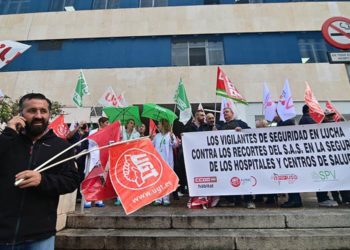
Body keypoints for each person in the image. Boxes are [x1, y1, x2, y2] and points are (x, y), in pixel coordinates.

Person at [0, 93, 79, 250]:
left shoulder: (61, 148)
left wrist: (42, 180)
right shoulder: (7, 141)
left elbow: (71, 181)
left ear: (49, 114)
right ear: (20, 114)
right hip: (3, 233)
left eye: (43, 111)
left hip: (40, 236)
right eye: (32, 111)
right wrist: (7, 134)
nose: (38, 115)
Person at [220, 107, 255, 209]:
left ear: (232, 113)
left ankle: (249, 200)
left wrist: (242, 130)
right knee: (231, 179)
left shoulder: (240, 122)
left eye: (227, 112)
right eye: (224, 112)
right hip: (228, 158)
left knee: (245, 178)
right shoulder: (222, 126)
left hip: (241, 157)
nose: (225, 114)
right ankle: (235, 200)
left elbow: (250, 131)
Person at [274, 113, 303, 208]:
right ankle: (293, 199)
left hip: (288, 155)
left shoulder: (286, 122)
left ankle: (295, 200)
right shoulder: (284, 122)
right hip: (286, 154)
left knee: (291, 178)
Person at [83, 117, 110, 208]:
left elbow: (110, 143)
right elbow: (92, 142)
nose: (108, 124)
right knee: (90, 179)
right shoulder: (93, 132)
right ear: (101, 123)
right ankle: (88, 201)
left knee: (100, 179)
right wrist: (100, 135)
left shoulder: (108, 133)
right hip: (93, 158)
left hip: (102, 157)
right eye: (106, 122)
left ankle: (99, 200)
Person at [152, 119, 178, 206]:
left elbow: (175, 145)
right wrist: (150, 139)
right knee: (158, 179)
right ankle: (158, 199)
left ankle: (166, 199)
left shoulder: (170, 135)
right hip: (157, 161)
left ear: (164, 125)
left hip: (167, 161)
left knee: (167, 179)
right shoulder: (157, 136)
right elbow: (151, 146)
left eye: (159, 123)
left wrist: (172, 139)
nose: (157, 125)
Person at [115, 118, 140, 206]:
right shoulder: (121, 132)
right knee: (121, 178)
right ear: (127, 124)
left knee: (131, 178)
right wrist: (120, 138)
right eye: (130, 123)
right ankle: (119, 198)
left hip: (132, 158)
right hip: (122, 157)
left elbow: (137, 145)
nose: (132, 125)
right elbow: (117, 142)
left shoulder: (136, 134)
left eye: (133, 123)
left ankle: (130, 198)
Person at [66, 121, 89, 203]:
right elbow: (68, 136)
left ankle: (79, 195)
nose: (83, 125)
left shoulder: (87, 134)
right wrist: (77, 127)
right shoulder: (75, 133)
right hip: (73, 157)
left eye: (84, 124)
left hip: (83, 158)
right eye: (82, 124)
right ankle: (72, 195)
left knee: (81, 176)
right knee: (72, 174)